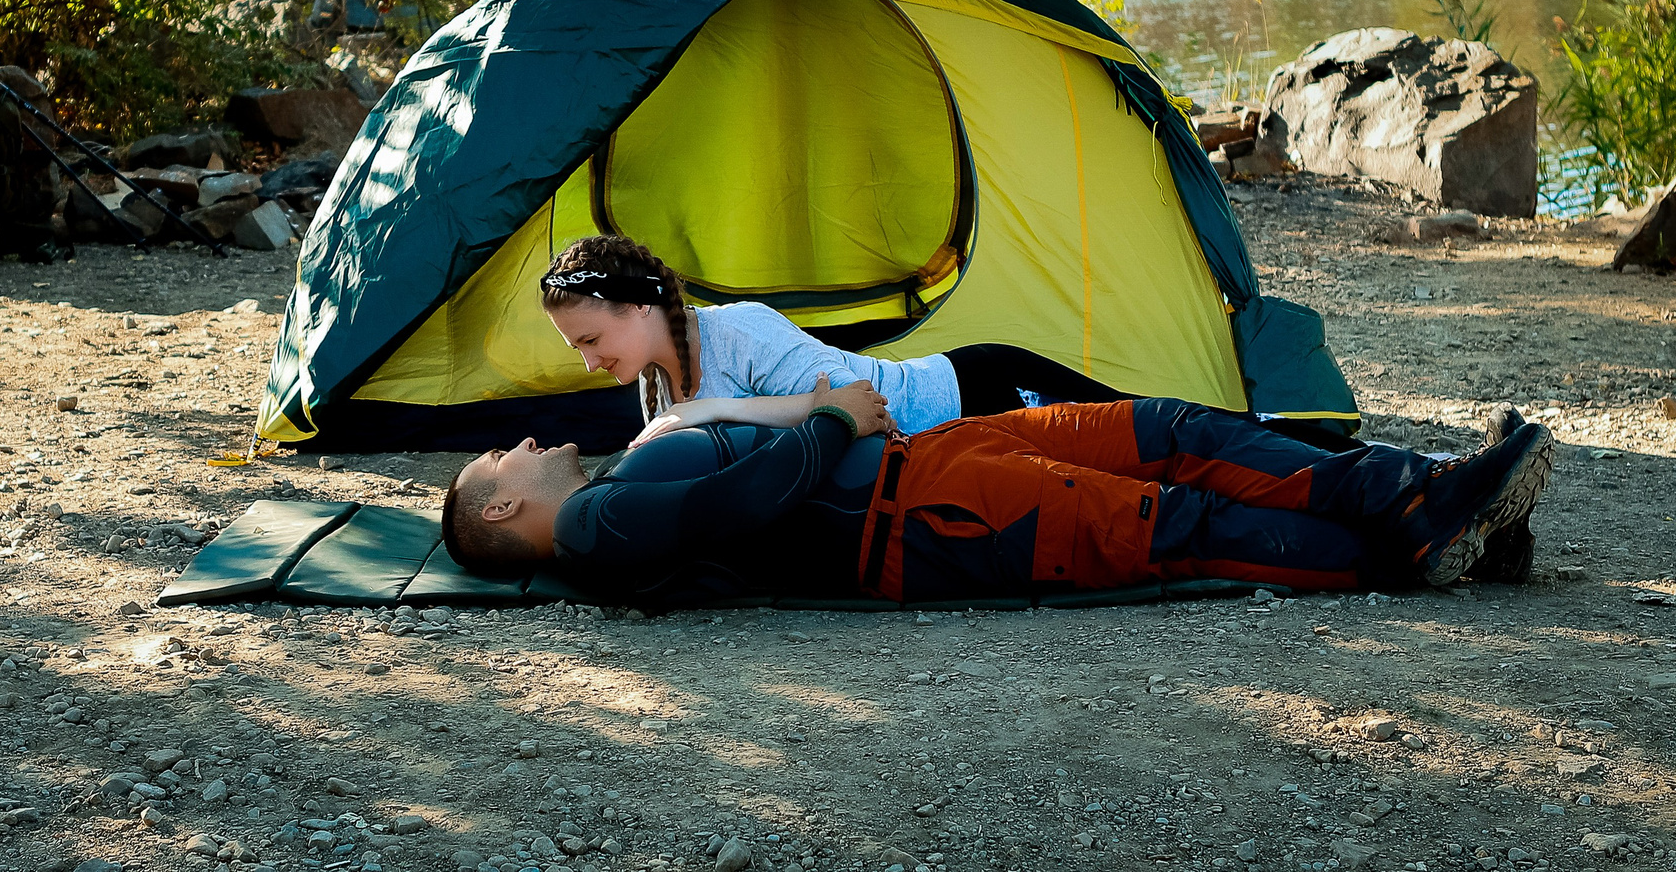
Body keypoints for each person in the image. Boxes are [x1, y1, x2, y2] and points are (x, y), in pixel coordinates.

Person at [438, 382, 1554, 605]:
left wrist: (836, 415)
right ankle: (1413, 539)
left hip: (926, 464)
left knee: (1162, 430)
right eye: (503, 459)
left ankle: (1418, 495)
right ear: (499, 510)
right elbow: (740, 509)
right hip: (917, 520)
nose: (528, 442)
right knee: (1173, 528)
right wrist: (831, 422)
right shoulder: (594, 525)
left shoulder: (610, 493)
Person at [542, 235, 1129, 445]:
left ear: (641, 306)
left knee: (1163, 432)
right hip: (957, 445)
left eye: (592, 339)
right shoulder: (655, 389)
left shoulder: (739, 332)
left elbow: (859, 408)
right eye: (580, 349)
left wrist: (715, 408)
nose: (591, 364)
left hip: (981, 391)